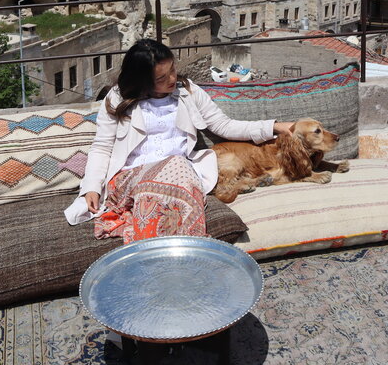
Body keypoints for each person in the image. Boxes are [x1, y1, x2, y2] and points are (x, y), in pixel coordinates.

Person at [64, 39, 294, 243]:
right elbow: (102, 147)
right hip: (131, 177)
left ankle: (167, 253)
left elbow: (224, 125)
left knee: (178, 167)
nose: (173, 79)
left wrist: (273, 127)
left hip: (180, 176)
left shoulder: (188, 91)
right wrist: (91, 188)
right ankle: (187, 249)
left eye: (173, 70)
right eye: (161, 78)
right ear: (142, 80)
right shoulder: (117, 98)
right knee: (176, 166)